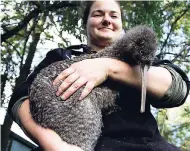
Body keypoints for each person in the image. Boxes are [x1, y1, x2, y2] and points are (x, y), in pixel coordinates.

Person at [8, 0, 189, 151]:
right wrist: (56, 145)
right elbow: (20, 101)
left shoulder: (138, 57)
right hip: (69, 143)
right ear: (85, 23)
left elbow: (177, 89)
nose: (106, 20)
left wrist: (108, 67)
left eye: (113, 15)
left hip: (141, 144)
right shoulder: (60, 56)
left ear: (121, 25)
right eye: (97, 14)